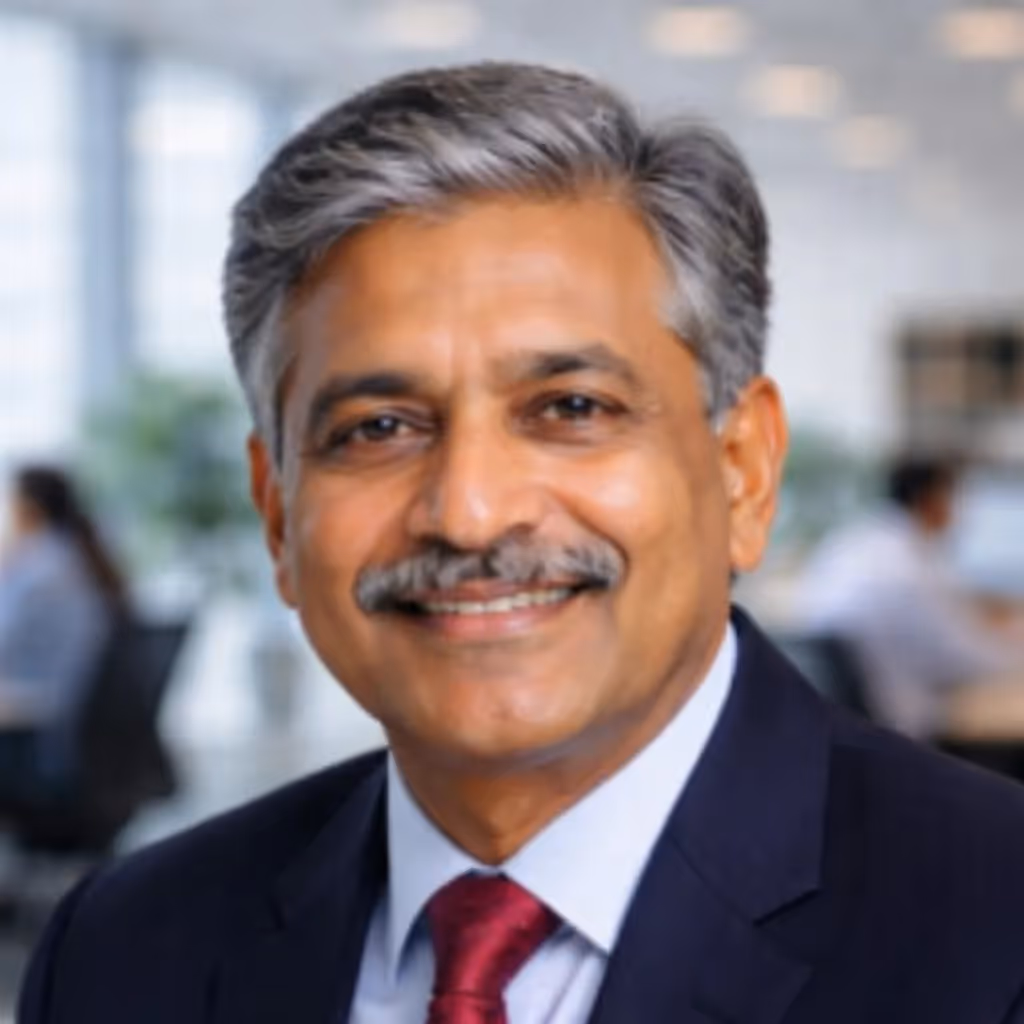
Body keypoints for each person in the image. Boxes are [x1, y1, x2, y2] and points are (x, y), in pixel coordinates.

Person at [19, 63, 1024, 1024]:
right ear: (277, 510)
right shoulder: (122, 951)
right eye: (377, 427)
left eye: (570, 407)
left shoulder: (994, 929)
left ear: (743, 469)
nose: (469, 512)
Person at [796, 455, 1024, 740]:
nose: (959, 513)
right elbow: (964, 657)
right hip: (905, 725)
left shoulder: (849, 544)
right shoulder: (909, 568)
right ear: (931, 500)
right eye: (954, 499)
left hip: (852, 724)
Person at [0, 466, 127, 791]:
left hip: (40, 746)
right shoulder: (77, 560)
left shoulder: (39, 570)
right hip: (77, 740)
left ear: (27, 508)